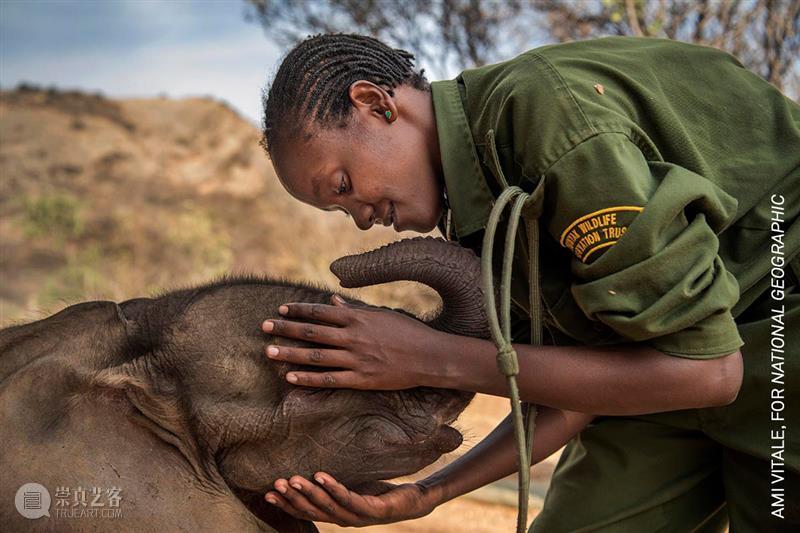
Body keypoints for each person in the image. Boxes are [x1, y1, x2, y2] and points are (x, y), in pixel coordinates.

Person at [257, 33, 800, 531]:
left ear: (376, 105)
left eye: (344, 184)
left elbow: (709, 371)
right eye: (337, 208)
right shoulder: (477, 209)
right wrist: (428, 493)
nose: (359, 218)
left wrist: (429, 356)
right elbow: (576, 383)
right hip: (665, 367)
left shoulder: (546, 121)